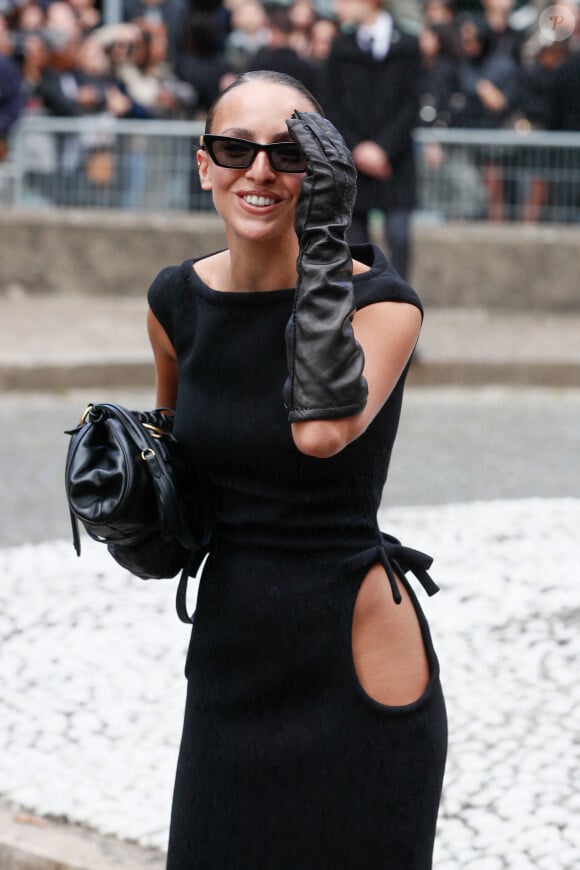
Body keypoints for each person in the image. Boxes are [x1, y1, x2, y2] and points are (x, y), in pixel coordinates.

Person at [146, 69, 447, 868]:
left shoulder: (383, 303)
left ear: (322, 175)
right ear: (202, 162)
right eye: (234, 148)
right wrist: (130, 497)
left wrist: (325, 235)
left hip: (354, 663)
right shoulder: (175, 300)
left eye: (288, 155)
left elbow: (319, 432)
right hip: (231, 660)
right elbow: (184, 481)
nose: (259, 172)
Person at [323, 0, 421, 281]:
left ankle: (399, 303)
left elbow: (411, 104)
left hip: (396, 161)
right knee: (356, 244)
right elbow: (333, 103)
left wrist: (384, 148)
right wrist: (358, 149)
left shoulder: (407, 44)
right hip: (354, 162)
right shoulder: (341, 46)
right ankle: (364, 303)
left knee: (399, 237)